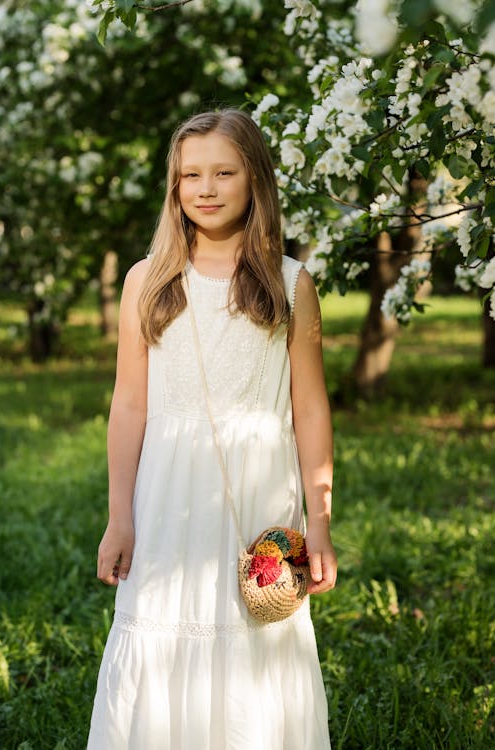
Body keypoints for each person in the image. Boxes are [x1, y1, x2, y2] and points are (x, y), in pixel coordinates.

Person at [87, 108, 337, 750]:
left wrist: (319, 523)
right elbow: (129, 407)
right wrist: (120, 517)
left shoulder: (289, 283)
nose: (205, 187)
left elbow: (309, 408)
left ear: (255, 179)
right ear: (174, 187)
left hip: (258, 490)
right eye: (189, 175)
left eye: (224, 172)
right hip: (170, 493)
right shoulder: (148, 281)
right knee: (167, 626)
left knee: (254, 635)